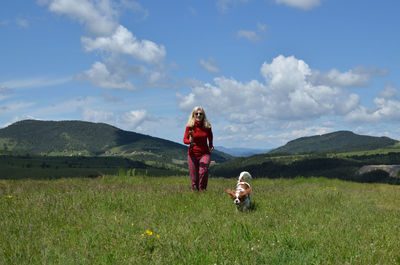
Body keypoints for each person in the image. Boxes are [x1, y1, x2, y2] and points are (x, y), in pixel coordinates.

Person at [183, 106, 214, 191]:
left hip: (205, 153)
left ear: (203, 115)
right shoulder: (190, 127)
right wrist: (190, 141)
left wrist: (211, 145)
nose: (199, 115)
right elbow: (184, 140)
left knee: (203, 171)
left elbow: (210, 136)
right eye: (196, 113)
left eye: (201, 113)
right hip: (192, 154)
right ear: (193, 115)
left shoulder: (207, 126)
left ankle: (203, 190)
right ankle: (195, 193)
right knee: (194, 177)